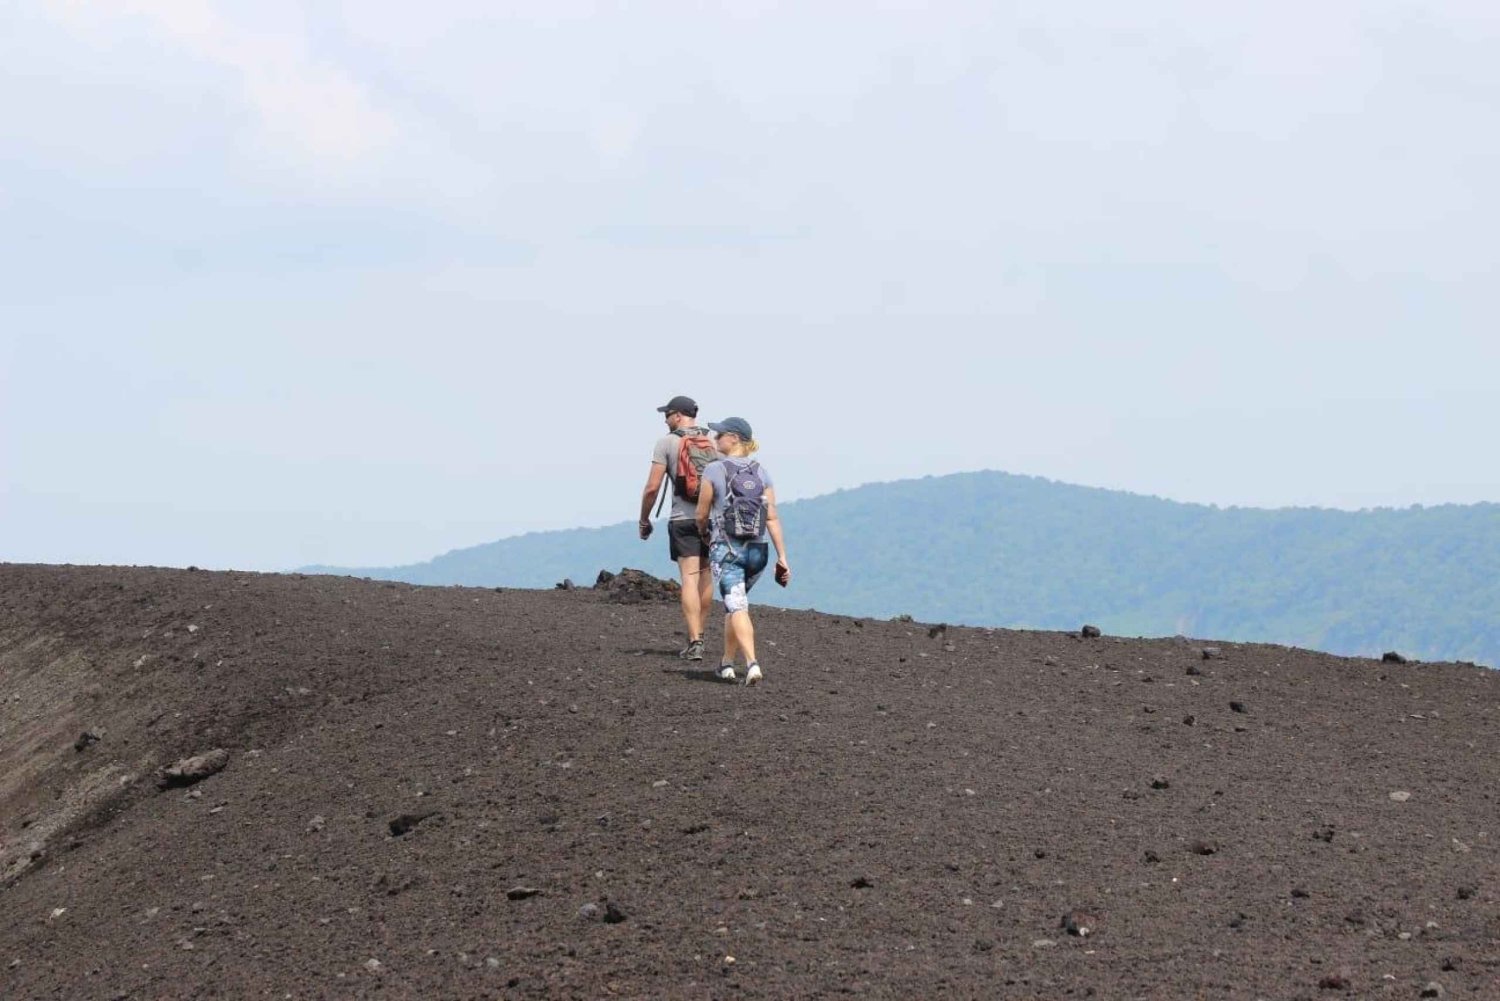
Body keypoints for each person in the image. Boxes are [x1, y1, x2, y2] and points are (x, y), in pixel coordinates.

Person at [694, 417, 790, 686]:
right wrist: (782, 557)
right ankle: (726, 663)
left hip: (727, 549)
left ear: (734, 438)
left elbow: (701, 513)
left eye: (720, 434)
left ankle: (752, 663)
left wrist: (704, 534)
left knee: (737, 607)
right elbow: (771, 517)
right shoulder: (762, 472)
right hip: (759, 551)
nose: (715, 439)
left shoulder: (714, 470)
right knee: (734, 606)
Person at [639, 395, 716, 660]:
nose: (665, 419)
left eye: (668, 414)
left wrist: (644, 519)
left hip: (682, 519)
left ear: (679, 415)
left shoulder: (667, 443)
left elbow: (652, 488)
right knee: (706, 576)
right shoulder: (714, 440)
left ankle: (695, 640)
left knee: (689, 578)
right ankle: (701, 634)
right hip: (711, 518)